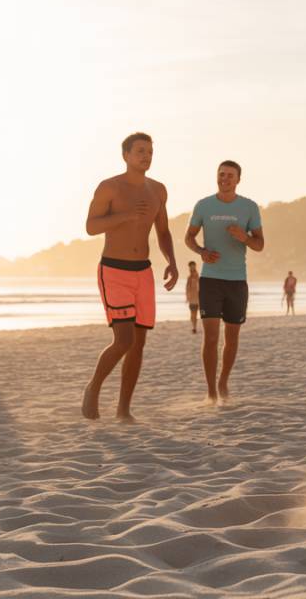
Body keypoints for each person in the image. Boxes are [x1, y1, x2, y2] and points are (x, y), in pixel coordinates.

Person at [82, 133, 178, 422]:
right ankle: (94, 387)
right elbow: (90, 226)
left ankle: (124, 409)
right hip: (113, 270)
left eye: (150, 151)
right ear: (125, 155)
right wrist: (123, 216)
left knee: (139, 343)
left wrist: (172, 262)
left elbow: (163, 231)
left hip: (143, 271)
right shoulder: (109, 188)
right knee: (123, 340)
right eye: (140, 151)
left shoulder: (158, 191)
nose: (146, 156)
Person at [185, 160, 264, 404]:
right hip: (210, 279)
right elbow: (189, 237)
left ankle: (223, 382)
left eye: (230, 175)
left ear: (238, 179)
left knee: (232, 338)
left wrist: (244, 237)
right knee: (210, 338)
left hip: (237, 281)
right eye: (221, 174)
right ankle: (210, 390)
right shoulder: (204, 205)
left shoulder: (249, 207)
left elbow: (260, 244)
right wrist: (200, 251)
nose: (225, 178)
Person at [186, 261, 200, 333]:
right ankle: (194, 327)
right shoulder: (189, 277)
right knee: (193, 314)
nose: (192, 267)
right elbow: (187, 288)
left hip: (198, 299)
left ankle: (194, 327)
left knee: (196, 314)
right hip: (192, 299)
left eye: (193, 266)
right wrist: (187, 298)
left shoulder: (198, 277)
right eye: (191, 266)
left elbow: (200, 288)